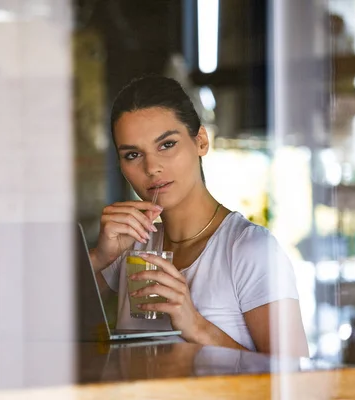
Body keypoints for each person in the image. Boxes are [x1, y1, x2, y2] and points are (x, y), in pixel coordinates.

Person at [89, 75, 308, 357]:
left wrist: (197, 326)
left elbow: (298, 385)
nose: (152, 167)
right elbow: (39, 319)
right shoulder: (132, 246)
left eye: (167, 144)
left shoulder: (249, 250)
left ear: (201, 141)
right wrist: (99, 257)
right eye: (133, 155)